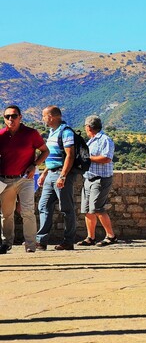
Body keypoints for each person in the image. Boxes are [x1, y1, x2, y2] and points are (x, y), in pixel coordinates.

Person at [0, 105, 49, 253]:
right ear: (4, 119)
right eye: (7, 116)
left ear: (20, 117)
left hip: (25, 179)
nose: (10, 119)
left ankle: (30, 245)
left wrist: (34, 165)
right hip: (4, 179)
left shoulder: (31, 134)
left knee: (27, 211)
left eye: (14, 116)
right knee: (6, 214)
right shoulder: (1, 135)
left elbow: (45, 151)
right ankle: (6, 243)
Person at [36, 106, 80, 251]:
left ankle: (68, 241)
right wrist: (44, 173)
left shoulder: (65, 132)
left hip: (61, 174)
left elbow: (70, 155)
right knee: (44, 205)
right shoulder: (52, 132)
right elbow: (53, 156)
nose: (42, 119)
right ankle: (41, 240)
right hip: (51, 173)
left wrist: (63, 176)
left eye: (44, 116)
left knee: (66, 208)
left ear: (51, 117)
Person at [77, 115, 119, 247]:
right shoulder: (91, 141)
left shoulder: (105, 140)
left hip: (100, 178)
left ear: (88, 127)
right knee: (88, 209)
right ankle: (90, 237)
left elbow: (107, 158)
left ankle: (111, 236)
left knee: (97, 208)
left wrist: (87, 158)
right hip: (89, 178)